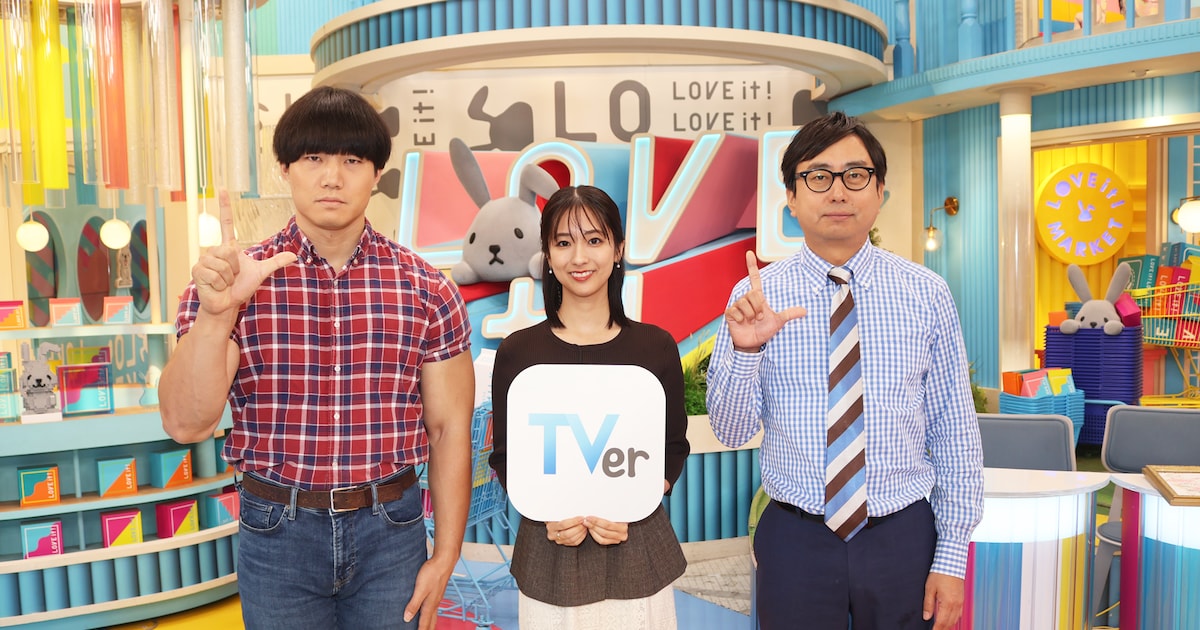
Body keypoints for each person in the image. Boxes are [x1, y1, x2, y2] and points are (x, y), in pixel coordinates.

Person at [158, 86, 474, 630]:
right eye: (313, 158)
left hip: (391, 532)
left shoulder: (427, 289)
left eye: (352, 160)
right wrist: (216, 315)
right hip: (276, 533)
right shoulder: (233, 282)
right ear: (285, 169)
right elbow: (186, 423)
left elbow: (449, 429)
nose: (332, 177)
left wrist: (446, 553)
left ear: (377, 173)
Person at [706, 111, 984, 629]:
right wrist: (746, 352)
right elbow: (731, 430)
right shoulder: (756, 296)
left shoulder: (926, 294)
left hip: (903, 534)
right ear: (791, 197)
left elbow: (955, 433)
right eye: (818, 176)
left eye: (855, 175)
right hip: (796, 536)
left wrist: (950, 557)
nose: (837, 191)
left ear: (879, 191)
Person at [488, 185, 690, 629]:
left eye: (594, 240)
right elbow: (506, 457)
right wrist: (546, 513)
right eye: (563, 242)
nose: (579, 257)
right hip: (548, 551)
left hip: (637, 545)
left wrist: (635, 501)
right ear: (547, 255)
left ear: (618, 250)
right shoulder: (519, 353)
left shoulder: (655, 347)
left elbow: (672, 447)